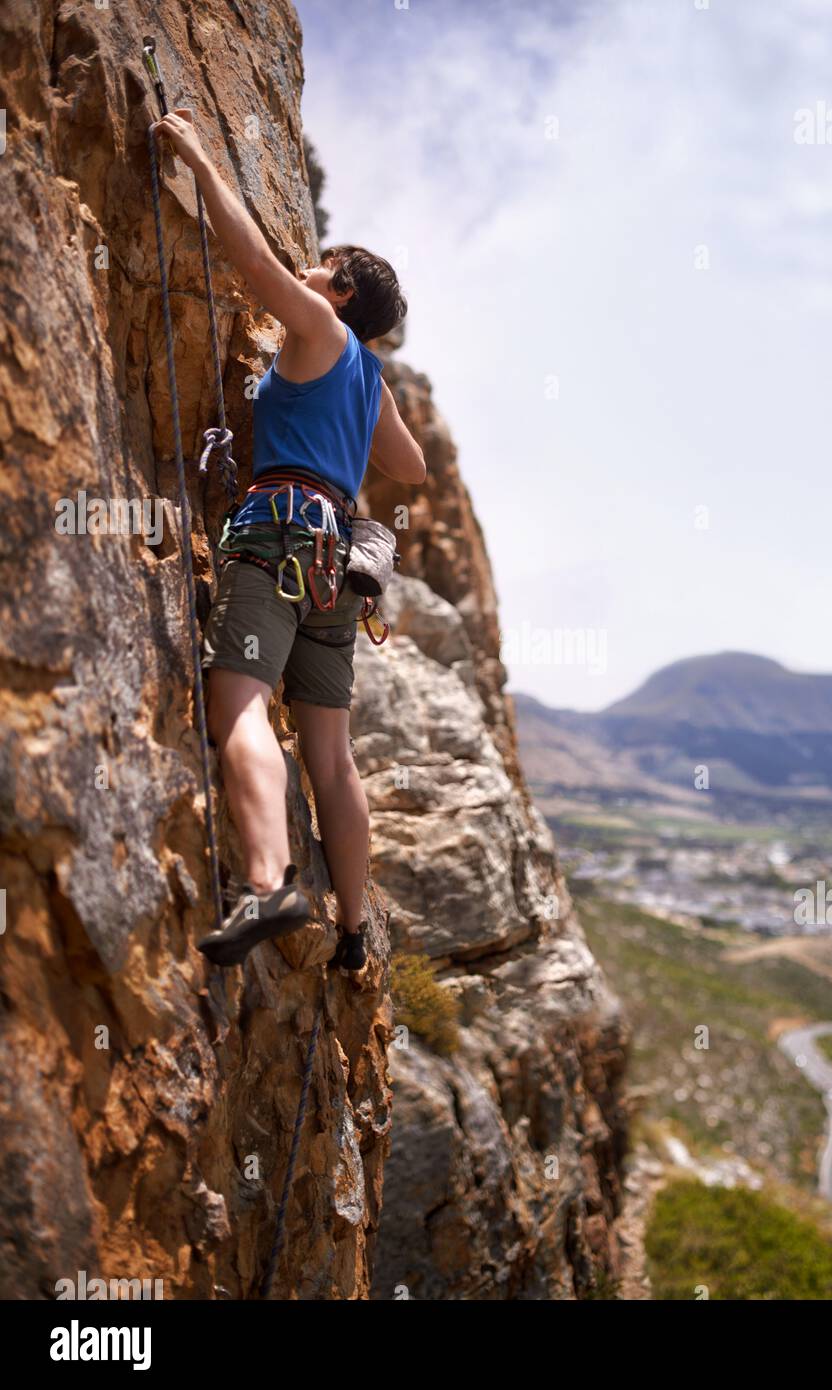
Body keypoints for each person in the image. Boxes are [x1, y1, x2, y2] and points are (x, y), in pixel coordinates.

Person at [152, 108, 426, 970]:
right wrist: (359, 419)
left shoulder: (317, 327)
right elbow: (410, 468)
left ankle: (268, 884)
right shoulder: (368, 375)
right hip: (340, 563)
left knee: (238, 703)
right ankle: (352, 931)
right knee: (332, 756)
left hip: (277, 534)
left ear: (338, 292)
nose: (310, 269)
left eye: (325, 267)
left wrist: (197, 154)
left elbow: (254, 264)